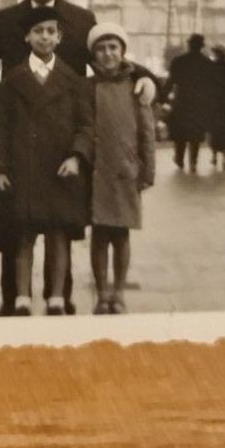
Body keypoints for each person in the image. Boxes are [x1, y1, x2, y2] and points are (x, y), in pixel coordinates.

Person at [0, 7, 94, 317]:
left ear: (60, 37)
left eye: (50, 31)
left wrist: (77, 156)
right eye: (38, 31)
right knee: (23, 234)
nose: (44, 37)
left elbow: (86, 126)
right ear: (27, 37)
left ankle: (57, 298)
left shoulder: (73, 81)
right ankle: (22, 298)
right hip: (23, 169)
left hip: (60, 170)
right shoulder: (11, 80)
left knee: (58, 235)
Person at [86, 23, 155, 315]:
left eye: (113, 47)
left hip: (126, 170)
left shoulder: (136, 87)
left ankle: (119, 291)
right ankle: (102, 292)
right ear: (94, 54)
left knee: (122, 234)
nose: (107, 54)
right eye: (101, 49)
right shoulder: (86, 87)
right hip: (97, 171)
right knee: (100, 234)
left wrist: (147, 172)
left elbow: (147, 133)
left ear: (123, 51)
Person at [164, 34, 214, 173]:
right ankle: (193, 160)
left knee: (180, 131)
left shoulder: (179, 61)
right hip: (199, 102)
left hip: (182, 100)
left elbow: (171, 81)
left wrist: (162, 97)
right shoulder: (207, 63)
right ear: (201, 46)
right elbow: (212, 86)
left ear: (189, 45)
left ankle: (179, 158)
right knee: (196, 132)